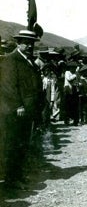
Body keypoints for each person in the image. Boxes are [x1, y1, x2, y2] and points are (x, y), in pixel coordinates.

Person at [0, 29, 43, 188]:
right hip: (16, 110)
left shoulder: (29, 60)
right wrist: (18, 105)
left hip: (28, 110)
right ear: (18, 43)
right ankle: (11, 179)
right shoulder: (11, 60)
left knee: (23, 144)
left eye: (31, 43)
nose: (29, 46)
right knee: (12, 144)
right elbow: (8, 86)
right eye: (26, 43)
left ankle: (17, 175)